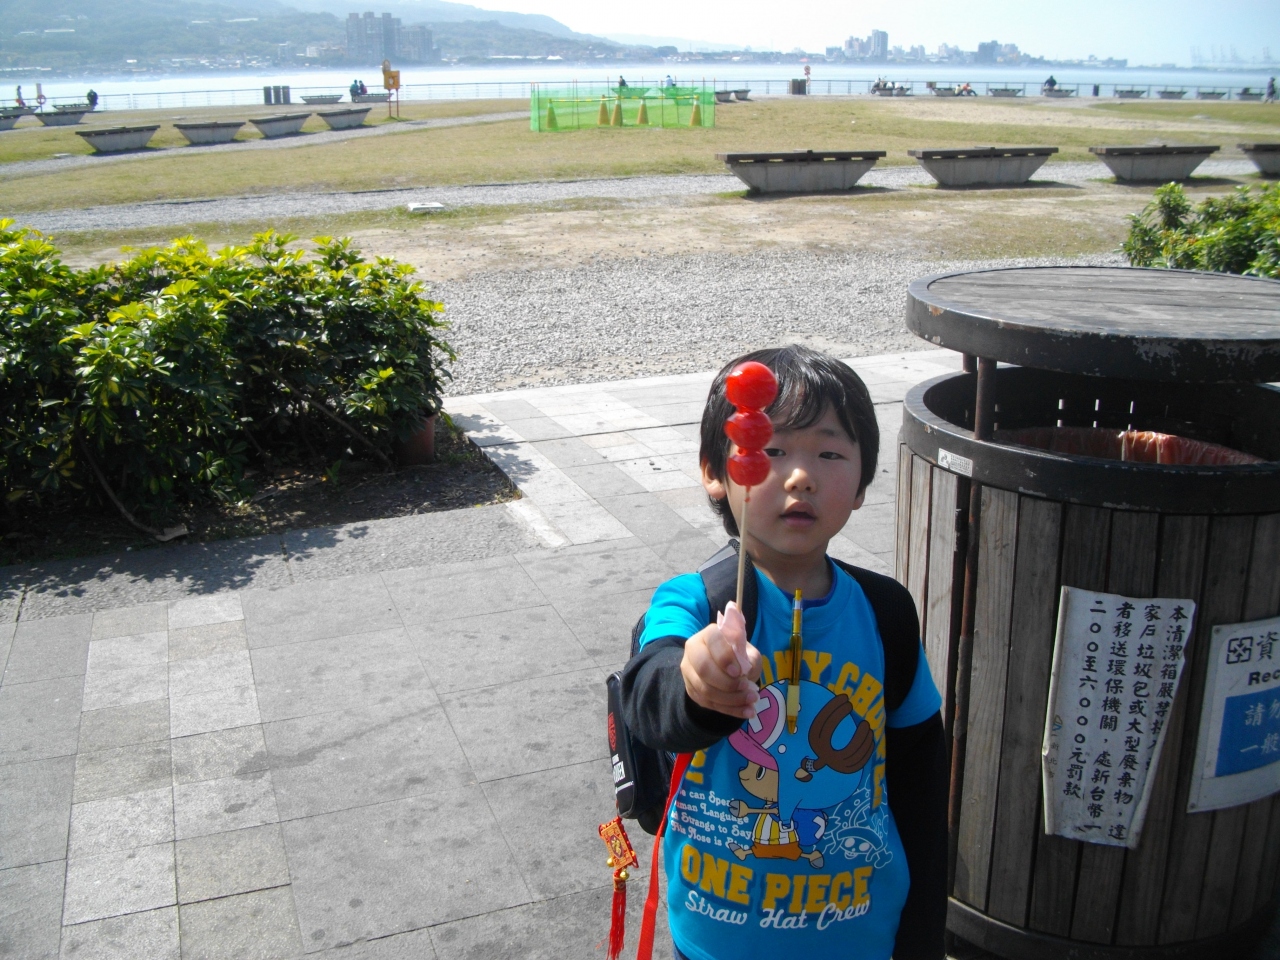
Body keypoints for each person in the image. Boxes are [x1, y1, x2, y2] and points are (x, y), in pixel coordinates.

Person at [621, 346, 947, 960]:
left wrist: (923, 933)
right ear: (715, 470)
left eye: (830, 453)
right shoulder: (694, 601)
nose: (801, 476)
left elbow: (921, 784)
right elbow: (650, 692)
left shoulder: (886, 611)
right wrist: (698, 683)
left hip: (863, 935)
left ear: (862, 484)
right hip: (719, 937)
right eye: (770, 451)